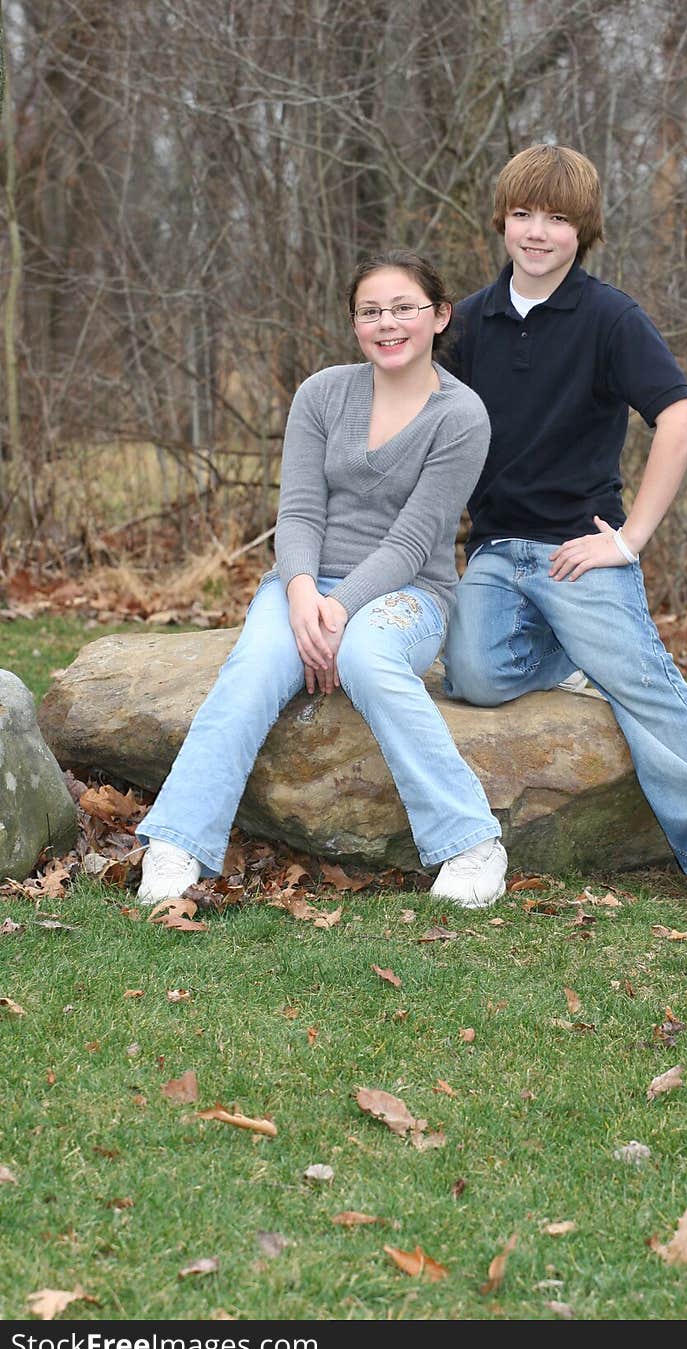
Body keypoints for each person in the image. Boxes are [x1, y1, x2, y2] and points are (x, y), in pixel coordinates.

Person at [441, 144, 687, 916]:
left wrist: (628, 542)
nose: (538, 232)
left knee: (639, 680)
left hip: (578, 550)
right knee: (473, 678)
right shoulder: (473, 321)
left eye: (557, 218)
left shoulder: (609, 316)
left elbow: (680, 422)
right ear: (502, 221)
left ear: (583, 230)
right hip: (494, 546)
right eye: (523, 214)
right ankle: (563, 653)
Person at [137, 251, 507, 910]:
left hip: (409, 594)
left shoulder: (462, 415)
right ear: (355, 323)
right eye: (371, 312)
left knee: (368, 656)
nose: (387, 324)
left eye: (404, 308)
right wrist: (302, 592)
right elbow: (300, 512)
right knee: (253, 667)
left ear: (440, 316)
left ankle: (472, 842)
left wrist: (337, 614)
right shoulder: (323, 393)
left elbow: (412, 541)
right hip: (304, 582)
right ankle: (179, 841)